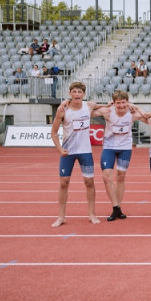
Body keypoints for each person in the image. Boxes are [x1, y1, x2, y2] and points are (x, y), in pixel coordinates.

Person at [50, 82, 103, 228]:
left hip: (85, 151)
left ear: (84, 94)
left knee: (89, 182)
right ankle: (61, 216)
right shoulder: (63, 110)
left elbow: (105, 107)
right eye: (74, 92)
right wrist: (60, 149)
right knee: (63, 183)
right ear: (70, 93)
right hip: (68, 152)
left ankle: (91, 214)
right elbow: (53, 133)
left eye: (80, 92)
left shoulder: (89, 106)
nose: (77, 94)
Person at [97, 90, 145, 221]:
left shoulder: (132, 114)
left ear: (127, 102)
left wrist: (137, 107)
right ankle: (116, 207)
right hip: (109, 147)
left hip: (125, 148)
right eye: (118, 103)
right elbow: (88, 112)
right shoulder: (108, 112)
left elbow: (147, 117)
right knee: (106, 177)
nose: (121, 105)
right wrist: (105, 106)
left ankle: (118, 207)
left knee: (121, 176)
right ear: (114, 103)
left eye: (124, 102)